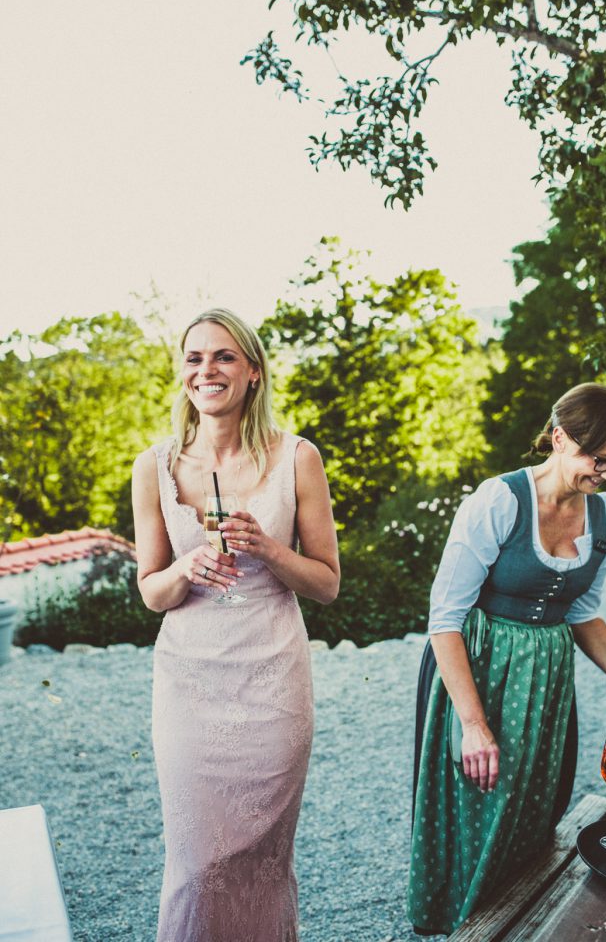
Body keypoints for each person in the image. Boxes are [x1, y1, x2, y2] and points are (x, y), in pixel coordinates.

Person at [408, 383, 606, 936]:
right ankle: (466, 927)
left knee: (532, 814)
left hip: (545, 684)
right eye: (602, 461)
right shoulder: (498, 502)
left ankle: (521, 925)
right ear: (561, 438)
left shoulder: (605, 514)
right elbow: (444, 619)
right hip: (479, 674)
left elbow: (584, 613)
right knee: (479, 812)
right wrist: (473, 725)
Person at [132, 308, 340, 942]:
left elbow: (327, 584)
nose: (207, 370)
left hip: (273, 682)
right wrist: (188, 566)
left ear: (253, 372)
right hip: (188, 686)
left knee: (259, 862)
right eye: (194, 359)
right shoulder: (155, 466)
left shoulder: (298, 458)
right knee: (197, 865)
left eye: (223, 357)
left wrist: (268, 549)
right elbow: (151, 592)